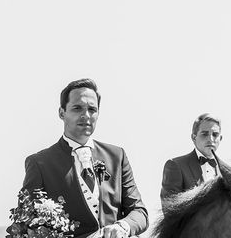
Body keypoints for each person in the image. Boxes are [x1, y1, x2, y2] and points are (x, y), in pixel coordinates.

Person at [22, 79, 148, 238]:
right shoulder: (40, 163)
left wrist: (123, 226)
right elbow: (26, 221)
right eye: (77, 108)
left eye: (92, 109)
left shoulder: (117, 156)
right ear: (62, 113)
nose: (86, 115)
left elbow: (139, 211)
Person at [160, 113, 223, 207]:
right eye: (204, 134)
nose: (210, 139)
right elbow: (170, 209)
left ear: (220, 138)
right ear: (194, 137)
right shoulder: (176, 165)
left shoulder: (227, 172)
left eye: (215, 134)